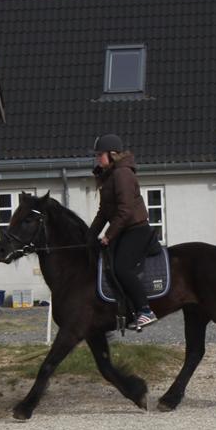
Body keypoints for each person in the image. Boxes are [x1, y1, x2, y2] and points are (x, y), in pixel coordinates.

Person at [87, 133, 158, 329]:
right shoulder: (109, 176)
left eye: (99, 155)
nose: (97, 158)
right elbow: (104, 212)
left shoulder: (122, 174)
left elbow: (125, 210)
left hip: (136, 230)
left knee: (121, 267)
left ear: (111, 154)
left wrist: (108, 236)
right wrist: (89, 236)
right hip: (124, 230)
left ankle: (145, 310)